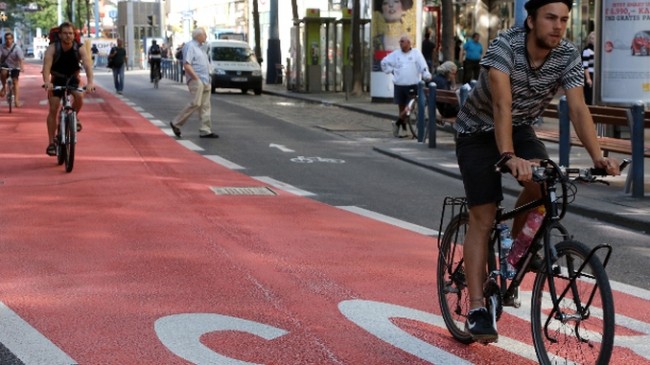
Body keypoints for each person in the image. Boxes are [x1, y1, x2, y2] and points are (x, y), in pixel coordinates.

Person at [453, 0, 620, 343]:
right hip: (476, 132)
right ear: (530, 20)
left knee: (547, 184)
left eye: (563, 19)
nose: (558, 26)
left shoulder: (568, 55)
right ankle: (477, 307)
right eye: (550, 18)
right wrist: (508, 156)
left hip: (520, 128)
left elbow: (577, 107)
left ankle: (512, 256)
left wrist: (598, 157)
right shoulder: (505, 46)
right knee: (483, 216)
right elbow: (502, 105)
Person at [42, 22, 95, 157]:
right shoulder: (53, 48)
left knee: (79, 96)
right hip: (56, 79)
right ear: (59, 35)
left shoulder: (79, 48)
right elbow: (47, 66)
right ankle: (51, 143)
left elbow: (88, 65)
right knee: (53, 107)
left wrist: (90, 82)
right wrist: (47, 82)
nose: (68, 36)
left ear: (74, 35)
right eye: (65, 33)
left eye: (71, 33)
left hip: (72, 78)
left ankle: (74, 116)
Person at [169, 28, 218, 139]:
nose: (206, 36)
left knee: (205, 106)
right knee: (195, 103)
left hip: (206, 79)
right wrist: (196, 78)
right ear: (198, 36)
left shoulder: (202, 48)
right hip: (197, 80)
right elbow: (187, 64)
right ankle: (176, 123)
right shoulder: (190, 46)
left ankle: (205, 130)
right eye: (204, 34)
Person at [380, 35, 431, 137]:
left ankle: (397, 123)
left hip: (412, 85)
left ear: (409, 43)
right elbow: (384, 62)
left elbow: (423, 66)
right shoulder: (396, 54)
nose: (400, 43)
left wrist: (427, 75)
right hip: (399, 85)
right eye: (400, 41)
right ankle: (403, 130)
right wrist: (391, 70)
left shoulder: (416, 53)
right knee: (402, 108)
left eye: (402, 41)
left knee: (409, 108)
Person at [0, 32, 25, 107]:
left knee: (15, 82)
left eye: (10, 39)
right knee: (3, 73)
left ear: (13, 39)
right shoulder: (1, 47)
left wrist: (22, 67)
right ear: (5, 40)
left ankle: (16, 101)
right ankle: (4, 88)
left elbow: (21, 59)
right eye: (6, 39)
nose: (8, 40)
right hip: (5, 66)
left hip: (15, 67)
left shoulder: (17, 48)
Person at [581, 31, 595, 105]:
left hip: (596, 75)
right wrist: (588, 78)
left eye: (595, 38)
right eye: (592, 38)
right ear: (589, 39)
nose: (594, 40)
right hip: (589, 75)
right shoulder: (587, 51)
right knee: (589, 97)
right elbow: (585, 66)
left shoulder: (597, 50)